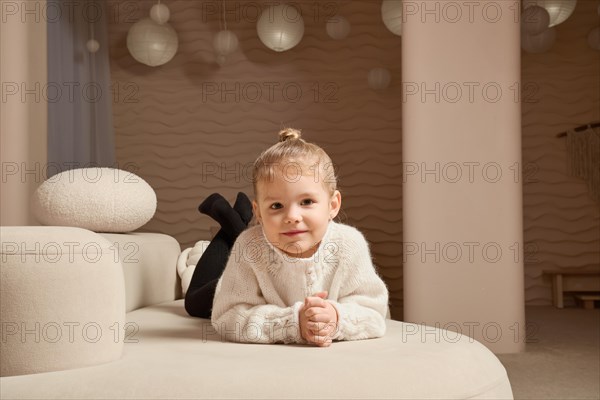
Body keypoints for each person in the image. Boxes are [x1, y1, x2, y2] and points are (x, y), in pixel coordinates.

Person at [187, 128, 389, 347]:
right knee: (195, 303)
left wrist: (336, 317)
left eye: (307, 202)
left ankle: (233, 220)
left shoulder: (349, 244)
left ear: (332, 205)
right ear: (259, 213)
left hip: (261, 237)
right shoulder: (248, 246)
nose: (292, 217)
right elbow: (227, 317)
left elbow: (375, 313)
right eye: (276, 206)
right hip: (224, 276)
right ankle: (228, 226)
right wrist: (292, 323)